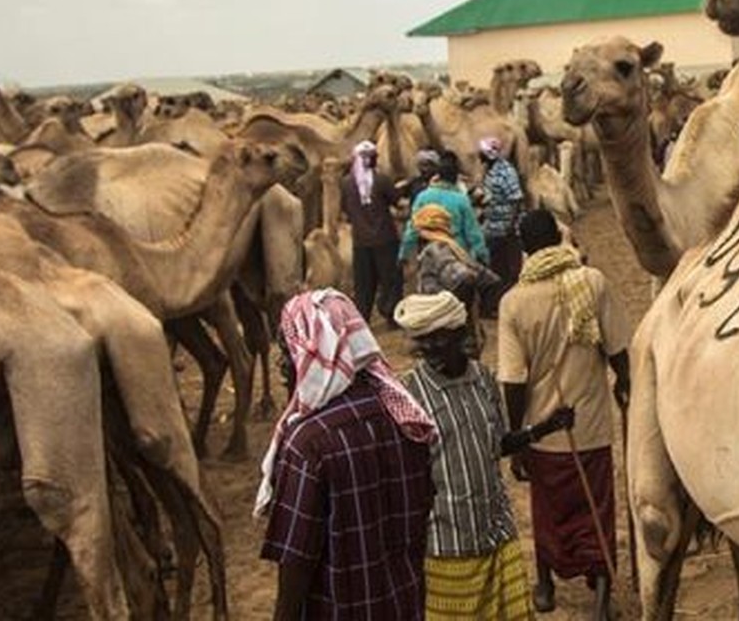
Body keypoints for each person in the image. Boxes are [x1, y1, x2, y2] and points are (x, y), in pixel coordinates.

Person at [257, 289, 438, 621]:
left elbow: (296, 562)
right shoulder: (407, 418)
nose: (283, 364)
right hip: (403, 606)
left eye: (288, 349)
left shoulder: (308, 443)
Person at [394, 292, 575, 620]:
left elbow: (497, 444)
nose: (430, 350)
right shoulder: (409, 392)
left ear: (460, 335)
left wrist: (543, 428)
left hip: (496, 532)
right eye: (424, 342)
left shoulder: (484, 380)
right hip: (446, 542)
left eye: (439, 340)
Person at [497, 210, 632, 618]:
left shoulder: (514, 302)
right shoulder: (591, 283)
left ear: (523, 248)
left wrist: (518, 437)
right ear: (559, 237)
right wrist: (625, 386)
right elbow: (618, 352)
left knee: (548, 510)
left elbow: (513, 380)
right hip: (590, 423)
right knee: (597, 508)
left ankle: (544, 584)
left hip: (543, 431)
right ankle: (603, 596)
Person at [342, 139, 404, 326]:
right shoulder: (382, 180)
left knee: (363, 284)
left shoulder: (346, 183)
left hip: (360, 241)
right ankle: (393, 316)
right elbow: (397, 201)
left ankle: (363, 318)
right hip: (385, 238)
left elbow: (345, 210)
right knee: (390, 280)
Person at [410, 204, 499, 332]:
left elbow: (465, 277)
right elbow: (488, 278)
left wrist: (453, 305)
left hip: (445, 326)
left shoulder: (435, 250)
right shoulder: (451, 247)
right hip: (454, 323)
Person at [399, 153, 489, 266]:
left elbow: (412, 228)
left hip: (430, 254)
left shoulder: (423, 197)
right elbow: (473, 233)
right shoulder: (461, 200)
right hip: (457, 255)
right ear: (455, 177)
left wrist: (403, 254)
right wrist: (482, 255)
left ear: (438, 176)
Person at [476, 136, 524, 318]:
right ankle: (494, 306)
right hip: (492, 227)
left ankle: (505, 307)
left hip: (504, 228)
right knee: (494, 268)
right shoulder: (490, 171)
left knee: (508, 270)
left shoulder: (506, 172)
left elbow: (516, 199)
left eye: (481, 152)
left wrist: (510, 226)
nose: (478, 155)